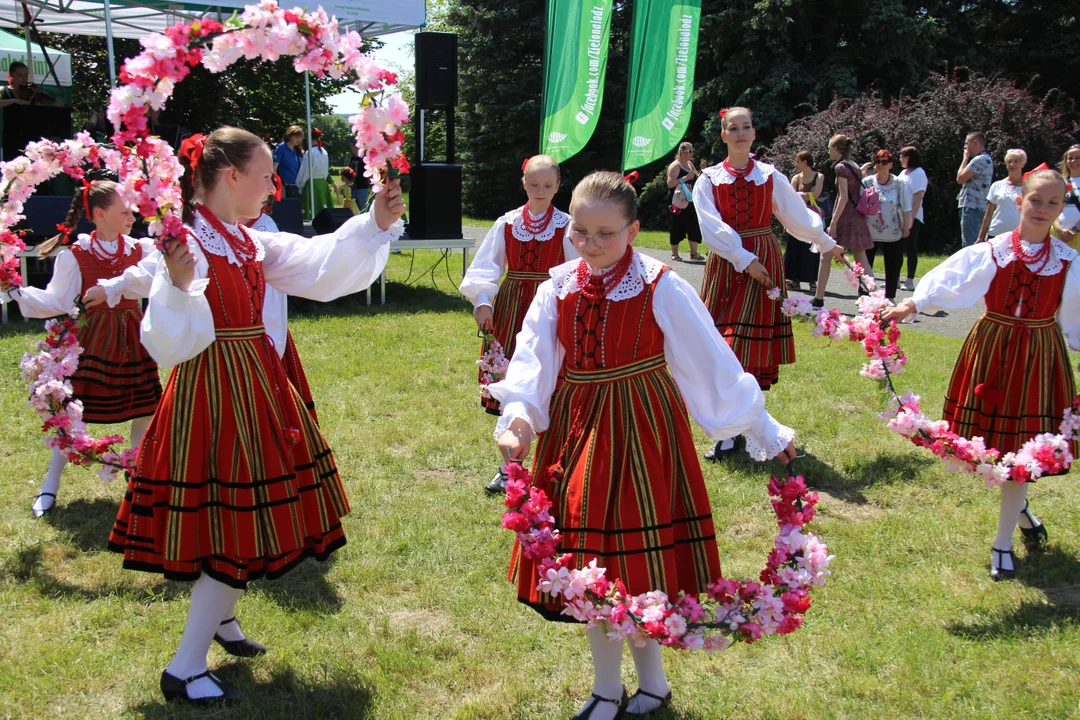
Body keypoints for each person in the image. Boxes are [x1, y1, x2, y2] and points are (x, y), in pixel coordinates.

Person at [105, 127, 405, 704]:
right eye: (266, 174)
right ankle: (185, 666)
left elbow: (314, 263)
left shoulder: (246, 240)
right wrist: (181, 286)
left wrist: (374, 223)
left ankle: (220, 624)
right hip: (216, 392)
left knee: (241, 514)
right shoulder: (187, 240)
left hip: (253, 383)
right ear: (231, 176)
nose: (274, 185)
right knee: (233, 524)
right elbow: (164, 340)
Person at [490, 170, 798, 720]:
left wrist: (764, 429)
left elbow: (710, 362)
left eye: (606, 232)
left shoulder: (660, 283)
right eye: (581, 232)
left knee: (636, 565)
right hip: (577, 427)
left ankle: (651, 685)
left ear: (633, 230)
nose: (590, 244)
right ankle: (609, 688)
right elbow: (534, 362)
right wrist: (518, 418)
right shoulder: (555, 285)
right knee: (591, 563)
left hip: (643, 430)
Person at [883, 169, 1079, 581]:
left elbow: (1076, 320)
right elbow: (951, 281)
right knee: (997, 447)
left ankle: (1002, 542)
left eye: (1053, 203)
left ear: (1063, 209)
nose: (1043, 209)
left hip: (1039, 358)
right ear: (1018, 200)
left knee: (1022, 449)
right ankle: (1021, 509)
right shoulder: (993, 250)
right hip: (991, 349)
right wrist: (913, 304)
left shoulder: (1068, 261)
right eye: (1036, 200)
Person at [86, 183, 321, 422]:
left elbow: (273, 295)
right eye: (262, 178)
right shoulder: (200, 230)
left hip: (258, 344)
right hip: (214, 355)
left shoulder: (260, 229)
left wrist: (268, 348)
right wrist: (113, 286)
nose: (271, 189)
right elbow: (159, 268)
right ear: (232, 179)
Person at [0, 180, 161, 517]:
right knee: (71, 412)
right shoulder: (75, 255)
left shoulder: (141, 249)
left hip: (134, 338)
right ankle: (50, 486)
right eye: (124, 211)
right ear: (99, 214)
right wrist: (17, 290)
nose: (132, 215)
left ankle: (139, 486)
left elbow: (152, 281)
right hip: (91, 341)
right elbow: (57, 300)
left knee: (145, 409)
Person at [694, 107, 844, 460]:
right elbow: (710, 228)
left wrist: (824, 242)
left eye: (746, 127)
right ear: (723, 135)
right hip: (730, 264)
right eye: (734, 128)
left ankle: (741, 430)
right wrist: (745, 259)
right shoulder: (709, 179)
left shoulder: (769, 176)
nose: (741, 133)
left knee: (751, 352)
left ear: (754, 133)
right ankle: (731, 432)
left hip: (765, 256)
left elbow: (794, 215)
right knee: (724, 347)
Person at [459, 155, 575, 494]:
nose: (541, 191)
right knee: (515, 384)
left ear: (558, 186)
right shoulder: (507, 223)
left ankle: (557, 462)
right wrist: (482, 301)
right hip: (512, 310)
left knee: (555, 382)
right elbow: (486, 266)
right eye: (534, 184)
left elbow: (578, 269)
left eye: (548, 185)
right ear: (523, 183)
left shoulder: (568, 225)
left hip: (552, 309)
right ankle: (510, 467)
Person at [813, 134, 873, 308]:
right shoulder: (854, 165)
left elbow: (843, 196)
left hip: (845, 217)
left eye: (830, 147)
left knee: (825, 254)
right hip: (858, 215)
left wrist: (833, 222)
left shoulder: (840, 167)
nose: (828, 150)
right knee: (860, 256)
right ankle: (872, 297)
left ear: (837, 149)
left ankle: (819, 298)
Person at [861, 150, 912, 300]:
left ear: (890, 164)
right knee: (865, 264)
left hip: (893, 231)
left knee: (892, 264)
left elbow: (907, 207)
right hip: (870, 231)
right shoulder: (867, 182)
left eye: (884, 162)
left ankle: (890, 296)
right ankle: (864, 294)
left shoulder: (899, 183)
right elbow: (859, 205)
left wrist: (906, 227)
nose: (881, 165)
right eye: (878, 161)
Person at [784, 151, 828, 291]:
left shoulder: (818, 176)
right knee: (794, 247)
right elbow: (791, 195)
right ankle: (794, 279)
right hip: (797, 216)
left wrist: (801, 195)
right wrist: (806, 195)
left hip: (812, 218)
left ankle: (812, 280)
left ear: (804, 162)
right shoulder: (796, 178)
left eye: (797, 161)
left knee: (811, 249)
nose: (795, 164)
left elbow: (816, 194)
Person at [666, 141, 704, 262]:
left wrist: (702, 171)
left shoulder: (689, 164)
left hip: (690, 199)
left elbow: (697, 178)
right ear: (682, 152)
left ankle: (694, 253)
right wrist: (685, 178)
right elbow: (670, 183)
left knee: (693, 224)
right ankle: (675, 254)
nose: (692, 153)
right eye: (689, 151)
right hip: (677, 201)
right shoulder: (675, 165)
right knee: (677, 225)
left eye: (693, 151)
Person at [978, 149, 1026, 242]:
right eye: (1009, 162)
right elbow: (988, 214)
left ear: (1023, 163)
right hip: (996, 234)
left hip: (1020, 235)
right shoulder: (997, 185)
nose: (1012, 164)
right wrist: (980, 237)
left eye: (1016, 161)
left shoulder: (1029, 186)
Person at [956, 131, 993, 248]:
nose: (965, 147)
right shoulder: (986, 159)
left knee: (970, 246)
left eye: (967, 143)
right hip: (979, 206)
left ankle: (970, 266)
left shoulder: (979, 160)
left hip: (972, 207)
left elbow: (960, 178)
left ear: (975, 142)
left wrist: (965, 158)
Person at [899, 146, 927, 291]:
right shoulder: (903, 173)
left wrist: (910, 219)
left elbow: (918, 197)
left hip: (913, 216)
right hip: (900, 215)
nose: (900, 159)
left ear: (908, 157)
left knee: (910, 247)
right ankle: (895, 278)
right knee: (896, 247)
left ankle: (909, 280)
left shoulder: (918, 173)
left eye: (901, 156)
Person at [296, 128, 333, 221]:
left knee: (310, 213)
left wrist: (300, 185)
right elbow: (325, 171)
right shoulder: (324, 152)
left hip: (311, 184)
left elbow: (305, 172)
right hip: (322, 184)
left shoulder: (310, 153)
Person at [1053, 143, 1080, 246]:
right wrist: (1059, 229)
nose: (1073, 161)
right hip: (1058, 235)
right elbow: (1052, 208)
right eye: (1070, 158)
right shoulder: (1059, 182)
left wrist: (1074, 230)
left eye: (1078, 158)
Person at [272, 125, 304, 197]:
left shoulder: (298, 150)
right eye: (296, 137)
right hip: (285, 187)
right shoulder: (281, 148)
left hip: (297, 187)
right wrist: (278, 185)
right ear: (289, 136)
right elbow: (274, 169)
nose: (298, 140)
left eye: (300, 137)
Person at [348, 145, 371, 209]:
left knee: (362, 206)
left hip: (362, 185)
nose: (351, 149)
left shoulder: (364, 158)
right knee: (351, 206)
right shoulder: (352, 159)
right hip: (352, 186)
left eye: (352, 147)